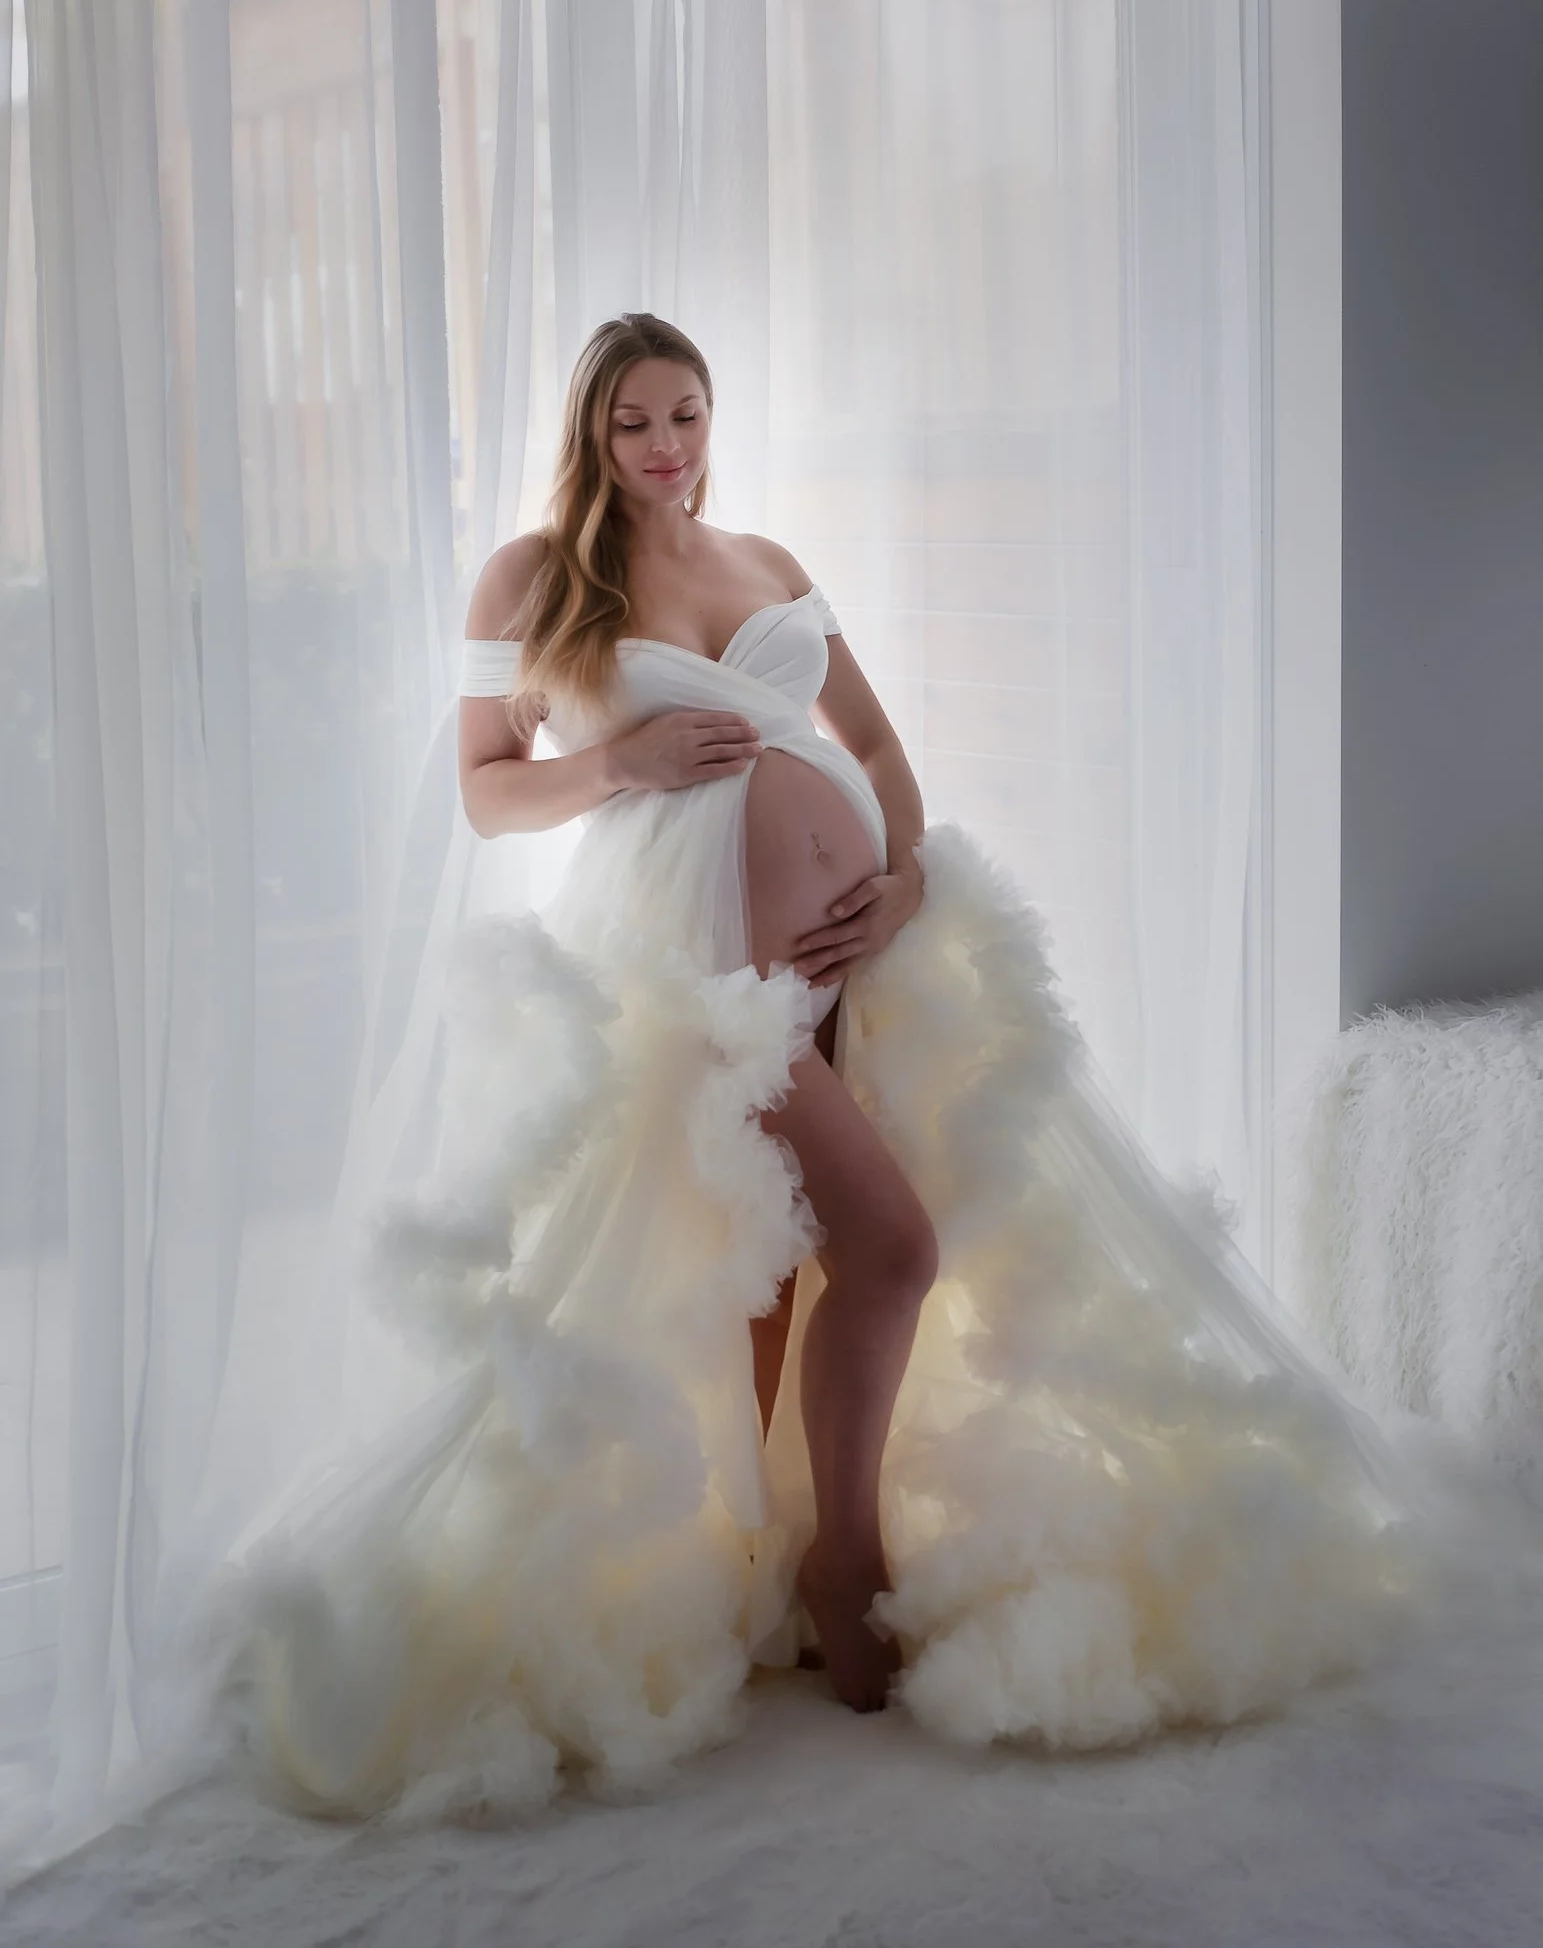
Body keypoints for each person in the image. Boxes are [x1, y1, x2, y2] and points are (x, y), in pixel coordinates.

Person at [206, 312, 1415, 1824]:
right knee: (884, 1246)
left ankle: (765, 1561)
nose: (666, 447)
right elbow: (483, 797)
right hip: (700, 983)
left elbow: (881, 751)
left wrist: (902, 881)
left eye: (689, 415)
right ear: (589, 432)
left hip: (864, 970)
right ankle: (845, 1559)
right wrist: (617, 764)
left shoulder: (767, 565)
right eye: (635, 421)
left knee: (776, 1280)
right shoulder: (534, 579)